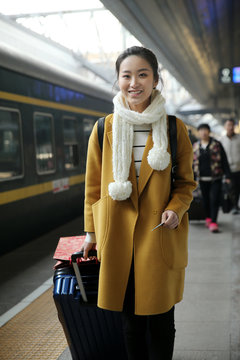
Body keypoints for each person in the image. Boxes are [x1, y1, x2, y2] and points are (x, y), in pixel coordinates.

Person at [81, 46, 196, 360]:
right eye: (126, 75)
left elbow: (186, 183)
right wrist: (91, 235)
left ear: (156, 80)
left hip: (158, 235)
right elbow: (93, 188)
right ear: (118, 80)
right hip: (117, 237)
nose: (134, 82)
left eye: (142, 74)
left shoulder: (174, 129)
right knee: (129, 322)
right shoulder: (103, 128)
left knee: (161, 320)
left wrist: (176, 207)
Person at [193, 123, 231, 232]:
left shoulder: (216, 144)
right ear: (198, 132)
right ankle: (208, 218)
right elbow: (191, 162)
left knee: (214, 199)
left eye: (205, 130)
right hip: (201, 179)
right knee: (205, 200)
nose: (203, 132)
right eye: (201, 130)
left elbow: (224, 160)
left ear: (209, 132)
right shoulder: (195, 146)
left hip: (216, 178)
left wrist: (227, 175)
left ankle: (214, 222)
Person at [221, 118, 240, 214]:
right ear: (225, 127)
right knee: (232, 189)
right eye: (228, 125)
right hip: (228, 170)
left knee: (238, 188)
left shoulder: (239, 138)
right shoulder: (221, 140)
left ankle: (236, 206)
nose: (230, 127)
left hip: (239, 168)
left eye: (232, 125)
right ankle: (234, 206)